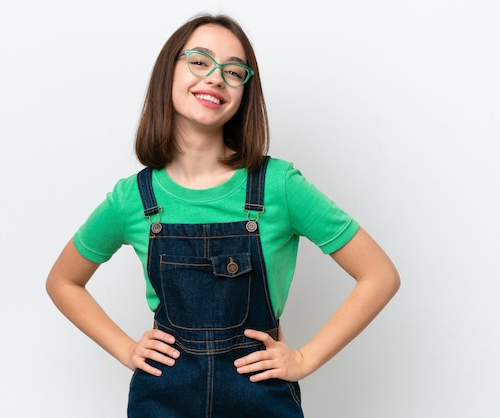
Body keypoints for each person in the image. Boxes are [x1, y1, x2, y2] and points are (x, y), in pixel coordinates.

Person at [46, 13, 400, 417]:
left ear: (244, 92)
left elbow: (379, 275)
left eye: (234, 71)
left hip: (260, 398)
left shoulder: (278, 186)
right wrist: (126, 349)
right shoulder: (133, 198)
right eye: (200, 61)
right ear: (169, 71)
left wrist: (303, 359)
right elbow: (64, 281)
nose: (215, 77)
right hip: (163, 399)